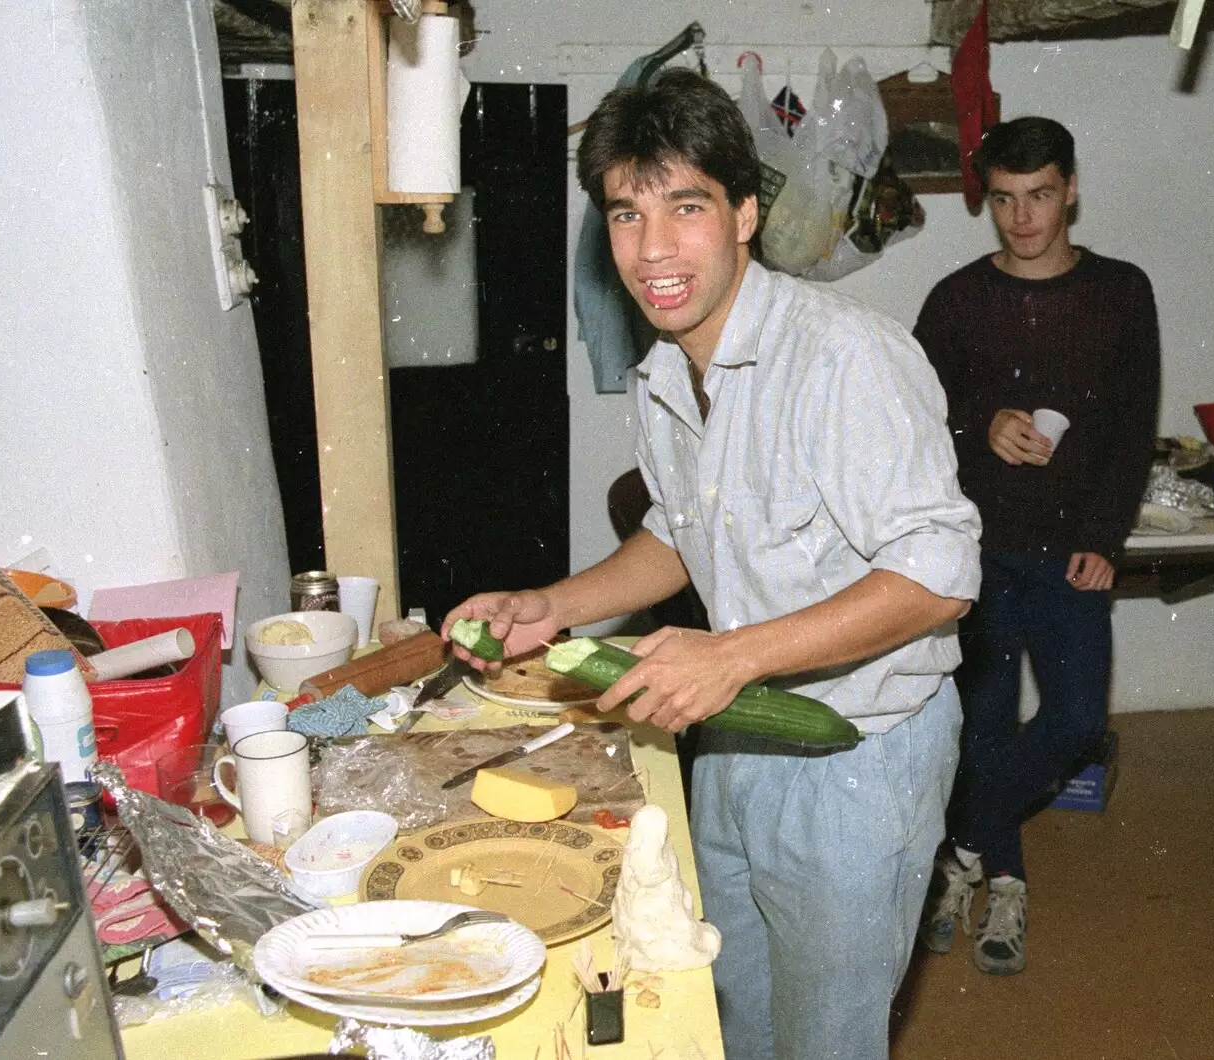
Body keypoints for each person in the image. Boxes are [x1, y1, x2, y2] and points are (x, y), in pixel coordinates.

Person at [444, 69, 981, 1060]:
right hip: (736, 738)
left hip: (856, 757)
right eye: (624, 213)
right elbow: (680, 535)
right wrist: (549, 604)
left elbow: (939, 575)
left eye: (683, 207)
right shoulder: (666, 373)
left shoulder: (841, 358)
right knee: (725, 1013)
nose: (651, 249)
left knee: (826, 1039)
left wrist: (731, 657)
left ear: (743, 213)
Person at [913, 116, 1160, 976]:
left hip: (1069, 552)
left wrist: (1104, 537)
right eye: (1007, 200)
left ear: (1072, 189)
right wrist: (981, 425)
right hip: (973, 552)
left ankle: (960, 852)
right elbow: (910, 427)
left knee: (1076, 722)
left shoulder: (1123, 291)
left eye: (1041, 196)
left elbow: (1134, 429)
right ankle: (1002, 881)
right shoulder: (954, 300)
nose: (1022, 219)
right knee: (980, 727)